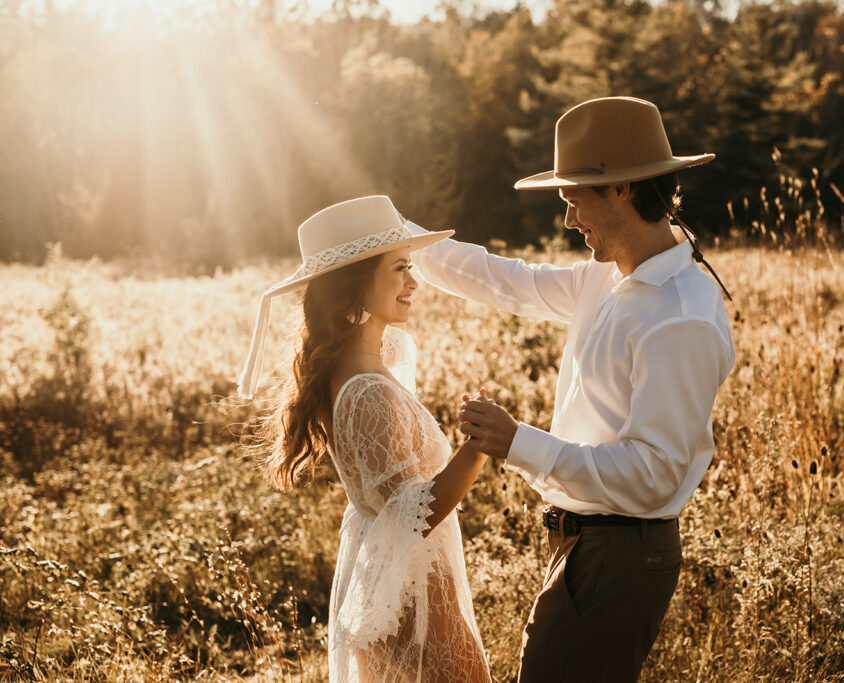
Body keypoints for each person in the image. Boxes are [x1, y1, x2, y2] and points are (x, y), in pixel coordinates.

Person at [408, 96, 736, 681]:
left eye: (572, 199)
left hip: (620, 554)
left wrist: (519, 443)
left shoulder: (678, 315)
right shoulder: (605, 279)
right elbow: (506, 281)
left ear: (622, 190)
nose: (566, 219)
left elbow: (654, 474)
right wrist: (401, 240)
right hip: (588, 549)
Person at [237, 196, 491, 683]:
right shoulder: (368, 391)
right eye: (399, 269)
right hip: (413, 596)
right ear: (354, 287)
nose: (414, 282)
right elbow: (410, 514)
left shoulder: (362, 365)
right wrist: (477, 446)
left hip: (400, 584)